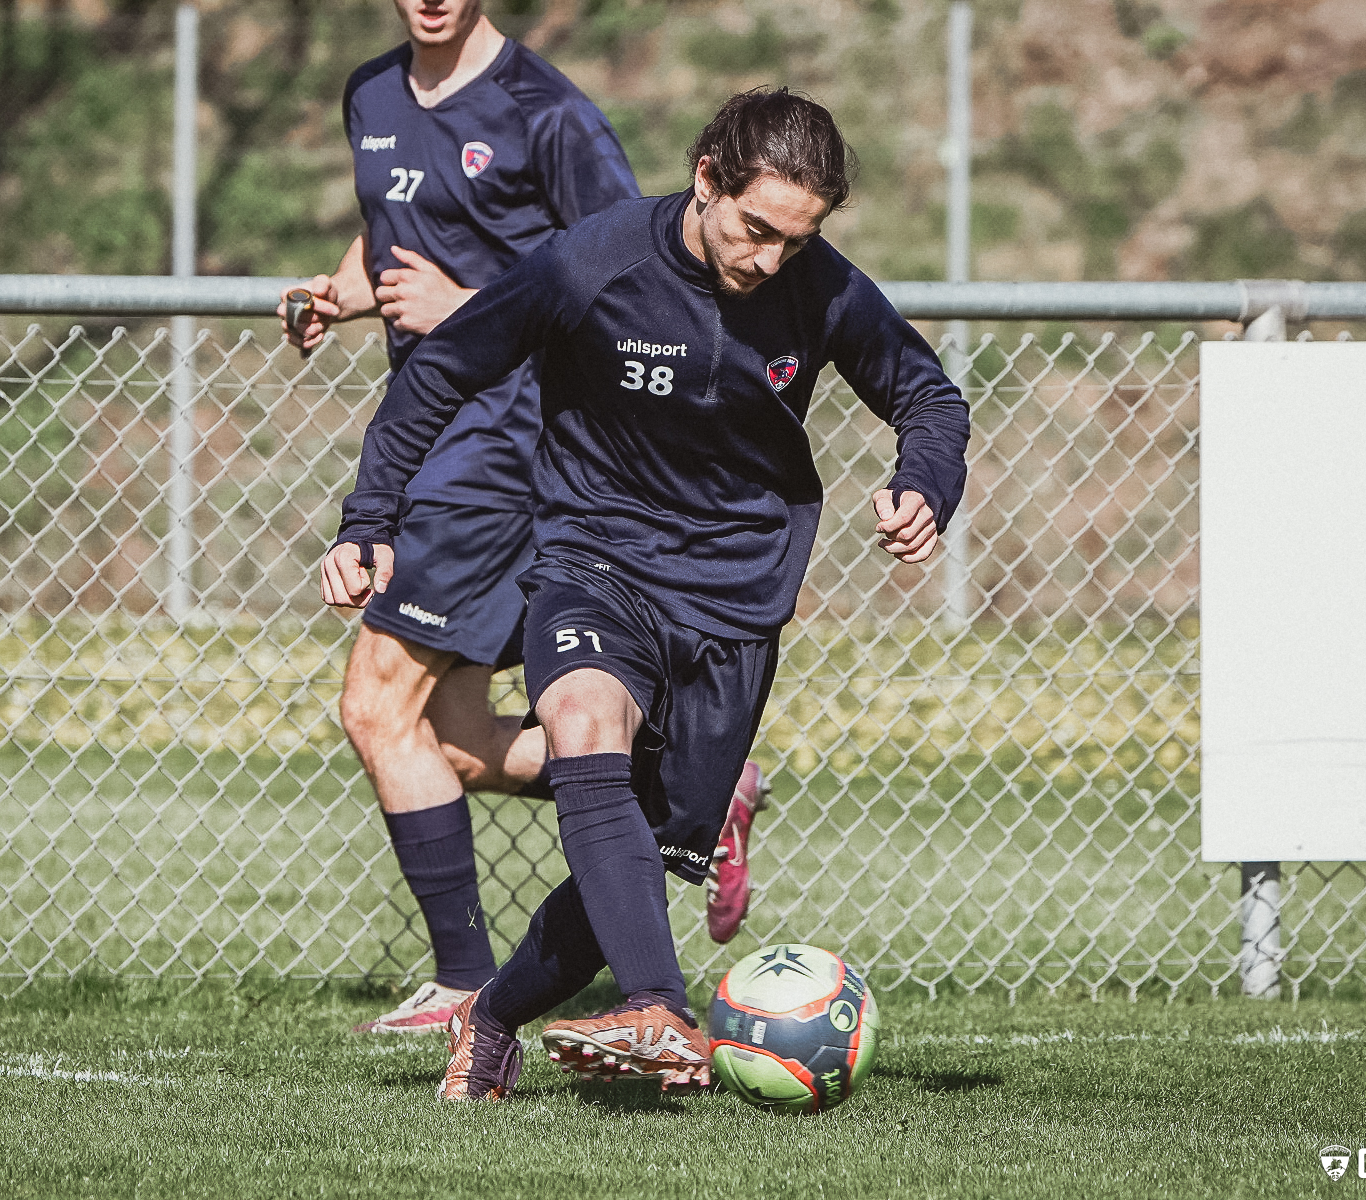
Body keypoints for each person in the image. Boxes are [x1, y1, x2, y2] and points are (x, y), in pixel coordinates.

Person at [325, 85, 969, 1101]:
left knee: (632, 869)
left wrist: (925, 484)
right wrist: (370, 520)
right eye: (756, 229)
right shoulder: (594, 262)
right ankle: (658, 1009)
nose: (768, 259)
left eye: (795, 242)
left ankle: (489, 1019)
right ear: (705, 178)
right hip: (593, 559)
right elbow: (444, 366)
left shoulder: (822, 290)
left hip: (734, 599)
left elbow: (926, 395)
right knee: (582, 720)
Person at [289, 0, 769, 1038]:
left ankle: (464, 986)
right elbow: (393, 224)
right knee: (454, 738)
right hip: (433, 434)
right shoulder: (371, 90)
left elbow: (626, 273)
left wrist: (463, 303)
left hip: (503, 443)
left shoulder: (548, 114)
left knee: (377, 709)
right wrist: (339, 295)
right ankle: (691, 785)